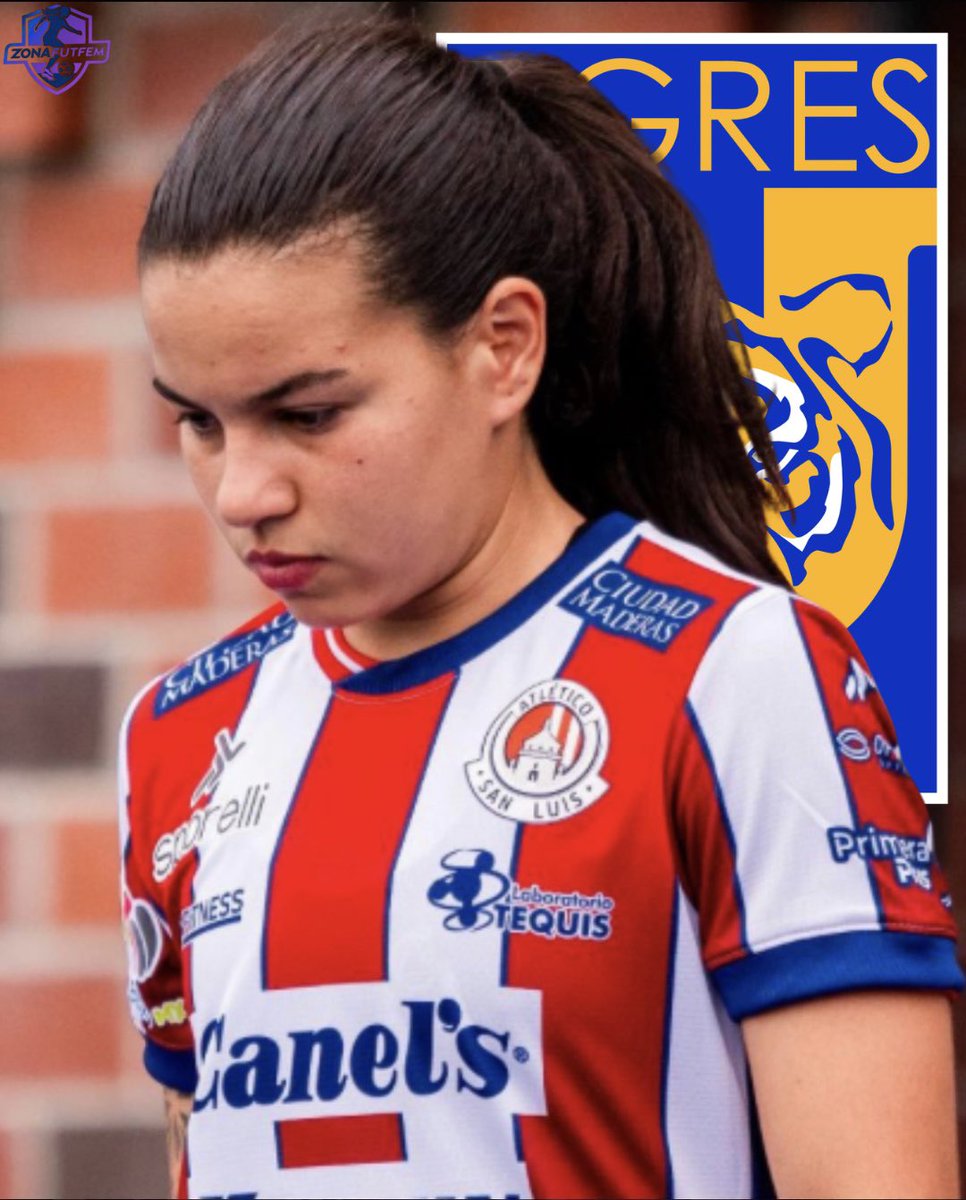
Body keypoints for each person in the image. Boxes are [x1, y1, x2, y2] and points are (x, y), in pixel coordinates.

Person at [118, 14, 961, 1200]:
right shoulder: (178, 733)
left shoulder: (739, 674)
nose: (242, 492)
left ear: (504, 348)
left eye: (308, 414)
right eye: (199, 422)